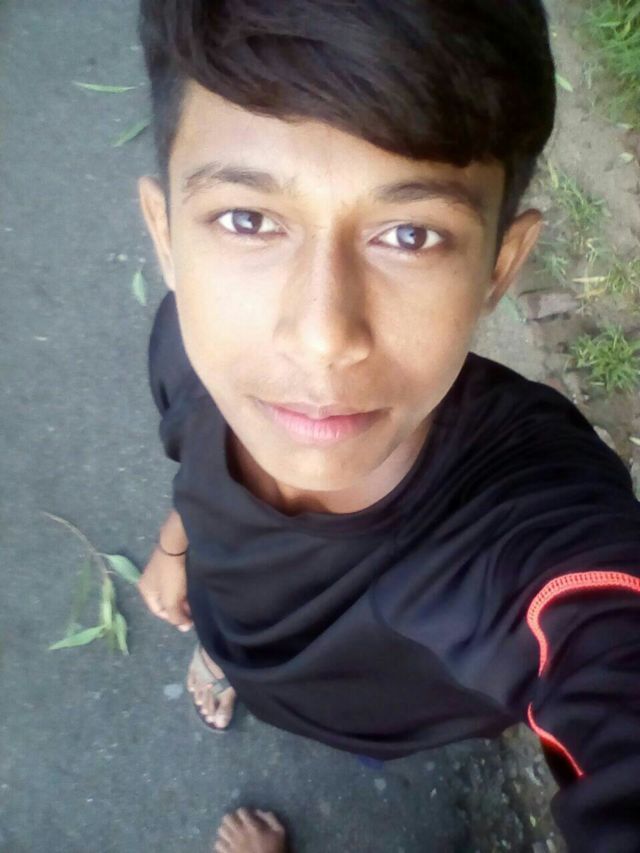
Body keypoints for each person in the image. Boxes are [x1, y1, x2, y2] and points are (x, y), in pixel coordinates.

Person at [134, 2, 640, 851]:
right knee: (230, 642)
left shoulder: (529, 529)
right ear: (167, 238)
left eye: (410, 234)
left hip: (386, 719)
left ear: (500, 266)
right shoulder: (186, 354)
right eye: (248, 220)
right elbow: (195, 456)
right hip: (229, 616)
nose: (323, 336)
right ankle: (224, 658)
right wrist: (175, 546)